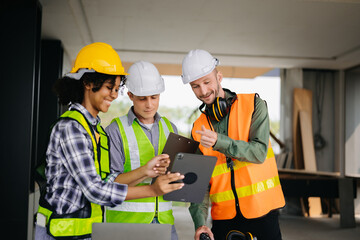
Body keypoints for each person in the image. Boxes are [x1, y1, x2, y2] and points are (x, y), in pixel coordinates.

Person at [34, 43, 184, 240]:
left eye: (116, 88)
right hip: (58, 232)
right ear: (88, 83)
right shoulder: (71, 128)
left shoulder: (96, 130)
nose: (114, 95)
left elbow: (106, 180)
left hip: (82, 232)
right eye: (109, 87)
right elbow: (95, 190)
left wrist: (146, 171)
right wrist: (152, 189)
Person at [181, 49, 285, 240]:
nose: (203, 91)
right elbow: (197, 186)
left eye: (206, 82)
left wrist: (219, 142)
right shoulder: (197, 127)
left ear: (219, 77)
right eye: (195, 86)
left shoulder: (254, 104)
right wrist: (200, 223)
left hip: (262, 213)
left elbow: (259, 152)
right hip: (223, 220)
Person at [105, 61, 179, 240]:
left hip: (165, 223)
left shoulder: (171, 128)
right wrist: (147, 171)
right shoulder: (115, 130)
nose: (149, 105)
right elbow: (110, 186)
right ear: (130, 95)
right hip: (127, 226)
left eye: (154, 97)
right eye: (142, 98)